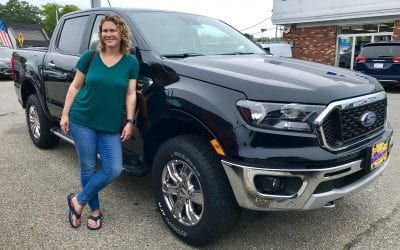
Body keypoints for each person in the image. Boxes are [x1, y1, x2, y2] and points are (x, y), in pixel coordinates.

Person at [60, 15, 139, 230]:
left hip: (110, 125)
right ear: (100, 34)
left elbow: (131, 93)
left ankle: (78, 200)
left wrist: (130, 121)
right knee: (88, 167)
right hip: (82, 119)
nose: (108, 34)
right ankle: (95, 211)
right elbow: (75, 86)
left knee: (113, 169)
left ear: (121, 33)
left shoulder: (130, 61)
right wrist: (65, 114)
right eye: (105, 31)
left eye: (112, 30)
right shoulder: (90, 56)